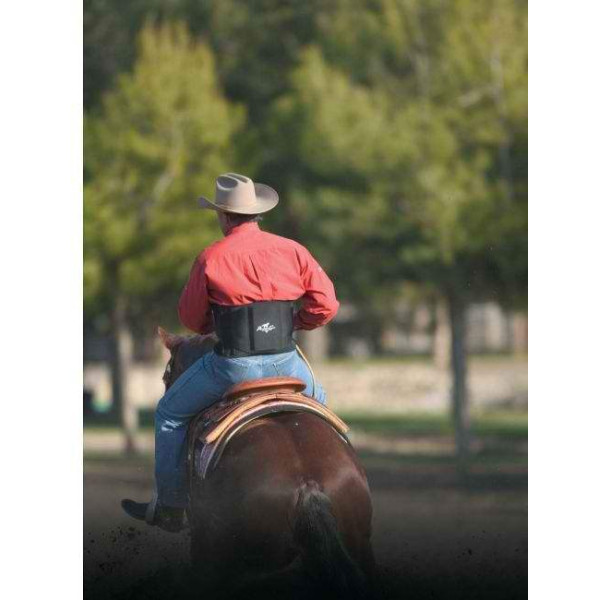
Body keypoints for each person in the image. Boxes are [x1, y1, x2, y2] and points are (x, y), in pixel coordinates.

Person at [121, 173, 339, 532]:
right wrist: (294, 321)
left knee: (169, 414)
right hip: (288, 363)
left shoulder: (210, 258)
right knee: (321, 405)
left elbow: (192, 319)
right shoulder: (293, 250)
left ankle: (172, 506)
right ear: (256, 213)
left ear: (223, 216)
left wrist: (220, 324)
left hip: (233, 367)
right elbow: (327, 305)